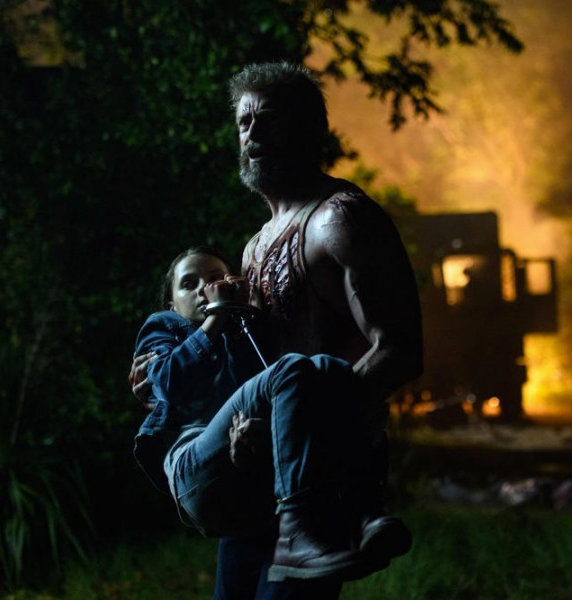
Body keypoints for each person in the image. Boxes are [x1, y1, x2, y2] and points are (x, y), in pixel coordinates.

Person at [130, 61, 423, 599]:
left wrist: (301, 427)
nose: (253, 134)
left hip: (322, 478)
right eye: (244, 122)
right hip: (253, 473)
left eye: (269, 120)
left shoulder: (340, 219)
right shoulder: (253, 248)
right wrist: (170, 385)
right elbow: (251, 370)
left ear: (309, 131)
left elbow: (400, 350)